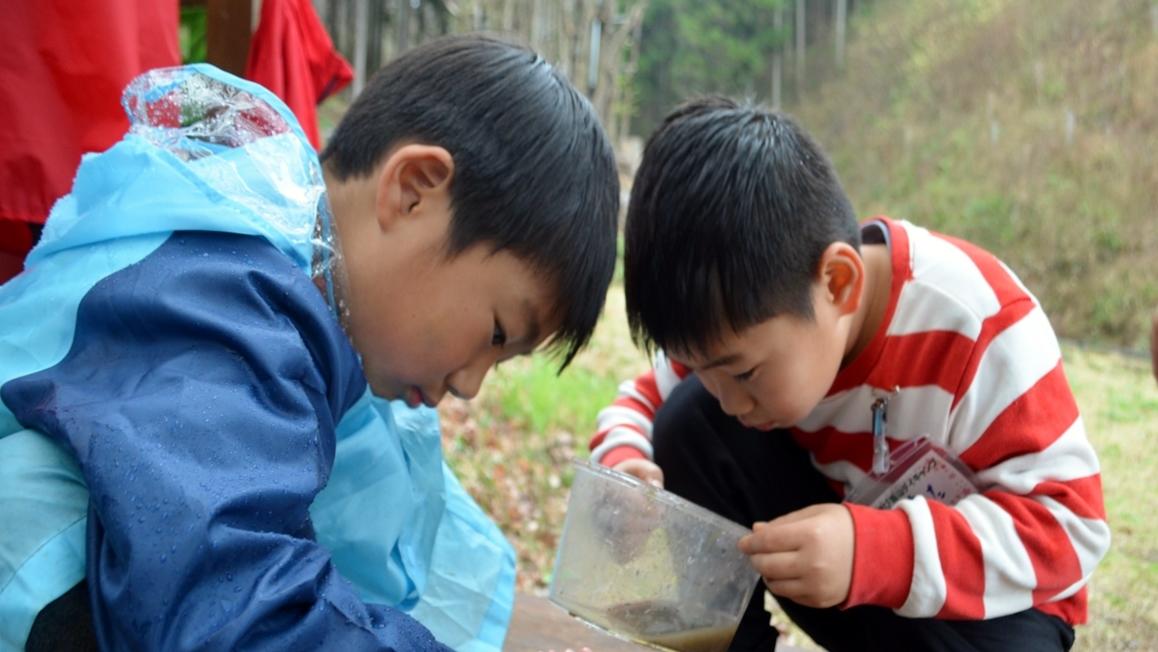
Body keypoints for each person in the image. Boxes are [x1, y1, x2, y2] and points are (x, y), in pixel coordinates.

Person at [0, 35, 618, 650]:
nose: (469, 384)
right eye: (496, 334)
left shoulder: (297, 295)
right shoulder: (222, 305)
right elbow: (232, 611)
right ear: (412, 192)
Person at [590, 97, 1109, 651]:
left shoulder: (979, 325)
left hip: (984, 616)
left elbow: (1071, 527)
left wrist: (879, 552)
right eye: (700, 366)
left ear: (838, 283)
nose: (730, 400)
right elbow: (639, 405)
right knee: (686, 423)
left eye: (743, 375)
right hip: (845, 581)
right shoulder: (747, 319)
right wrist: (624, 477)